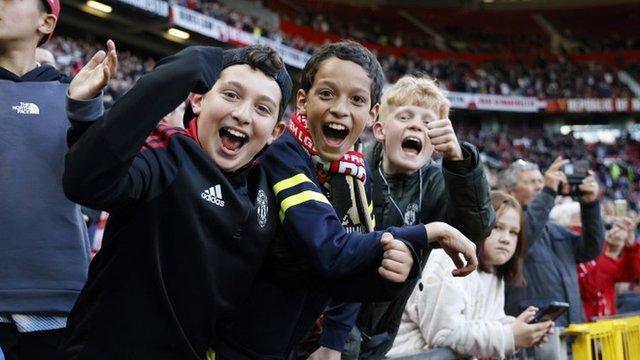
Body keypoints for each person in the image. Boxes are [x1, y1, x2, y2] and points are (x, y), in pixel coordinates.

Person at [214, 41, 479, 360]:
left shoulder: (354, 173)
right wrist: (428, 232)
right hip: (233, 342)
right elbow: (329, 249)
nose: (340, 109)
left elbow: (351, 265)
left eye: (356, 99)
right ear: (303, 101)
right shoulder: (284, 156)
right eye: (326, 93)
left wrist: (333, 341)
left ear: (371, 114)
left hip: (285, 345)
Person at [59, 43, 297, 359]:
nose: (242, 115)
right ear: (197, 99)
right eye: (230, 95)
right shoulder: (165, 155)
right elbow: (86, 181)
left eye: (262, 109)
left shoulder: (271, 191)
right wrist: (183, 69)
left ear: (275, 132)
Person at [323, 75, 495, 359]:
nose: (417, 125)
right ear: (380, 129)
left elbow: (477, 228)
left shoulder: (438, 182)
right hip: (327, 334)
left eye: (428, 122)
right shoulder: (350, 171)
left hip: (379, 338)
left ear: (437, 139)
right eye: (405, 117)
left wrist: (459, 160)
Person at [0, 0, 99, 358]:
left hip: (55, 296)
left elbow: (102, 176)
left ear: (46, 21)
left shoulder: (76, 97)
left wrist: (88, 109)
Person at [387, 191, 554, 359]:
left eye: (513, 232)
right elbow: (444, 334)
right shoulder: (449, 260)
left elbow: (488, 322)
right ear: (481, 226)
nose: (506, 239)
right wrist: (509, 335)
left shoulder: (493, 272)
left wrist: (521, 329)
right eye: (497, 227)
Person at [501, 158, 605, 326]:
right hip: (532, 337)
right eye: (531, 182)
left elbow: (592, 249)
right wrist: (549, 192)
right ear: (510, 192)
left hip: (572, 331)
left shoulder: (554, 230)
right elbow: (523, 237)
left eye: (541, 181)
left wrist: (590, 205)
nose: (539, 186)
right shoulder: (504, 231)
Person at [578, 217, 640, 321]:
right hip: (585, 327)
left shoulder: (608, 260)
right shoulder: (579, 256)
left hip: (606, 327)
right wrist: (610, 251)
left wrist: (631, 246)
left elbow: (633, 273)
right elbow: (590, 290)